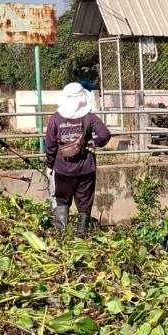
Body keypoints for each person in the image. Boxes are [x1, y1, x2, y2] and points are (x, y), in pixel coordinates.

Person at [43, 81, 112, 232]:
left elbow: (50, 145)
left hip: (62, 169)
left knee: (62, 200)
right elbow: (105, 134)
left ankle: (61, 233)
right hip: (86, 168)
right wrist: (94, 144)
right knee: (84, 203)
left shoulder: (55, 119)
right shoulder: (90, 117)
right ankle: (82, 234)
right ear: (82, 98)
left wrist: (50, 165)